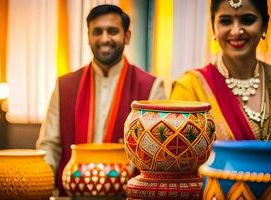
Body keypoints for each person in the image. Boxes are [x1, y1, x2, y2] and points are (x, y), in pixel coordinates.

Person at [36, 4, 166, 195]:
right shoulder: (64, 86)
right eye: (97, 32)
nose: (105, 39)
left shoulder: (151, 87)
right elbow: (49, 145)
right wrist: (41, 186)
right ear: (88, 37)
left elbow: (155, 153)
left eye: (112, 31)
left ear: (127, 36)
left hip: (127, 196)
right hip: (72, 195)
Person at [170, 0, 270, 141]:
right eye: (225, 21)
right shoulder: (190, 88)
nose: (236, 31)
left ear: (265, 25)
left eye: (247, 20)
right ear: (213, 26)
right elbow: (175, 153)